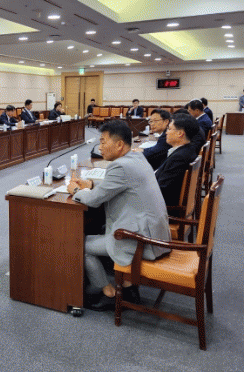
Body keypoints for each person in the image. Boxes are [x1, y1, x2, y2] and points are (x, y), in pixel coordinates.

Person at [66, 120, 170, 310]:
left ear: (119, 144)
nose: (99, 147)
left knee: (78, 245)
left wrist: (75, 190)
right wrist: (92, 185)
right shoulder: (137, 158)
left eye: (103, 142)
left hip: (141, 241)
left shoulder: (120, 167)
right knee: (99, 228)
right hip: (154, 232)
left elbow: (94, 200)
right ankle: (128, 287)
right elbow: (119, 187)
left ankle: (107, 291)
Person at [154, 115, 199, 207]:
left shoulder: (179, 157)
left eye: (169, 129)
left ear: (180, 133)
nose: (166, 132)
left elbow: (162, 189)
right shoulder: (187, 150)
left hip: (161, 206)